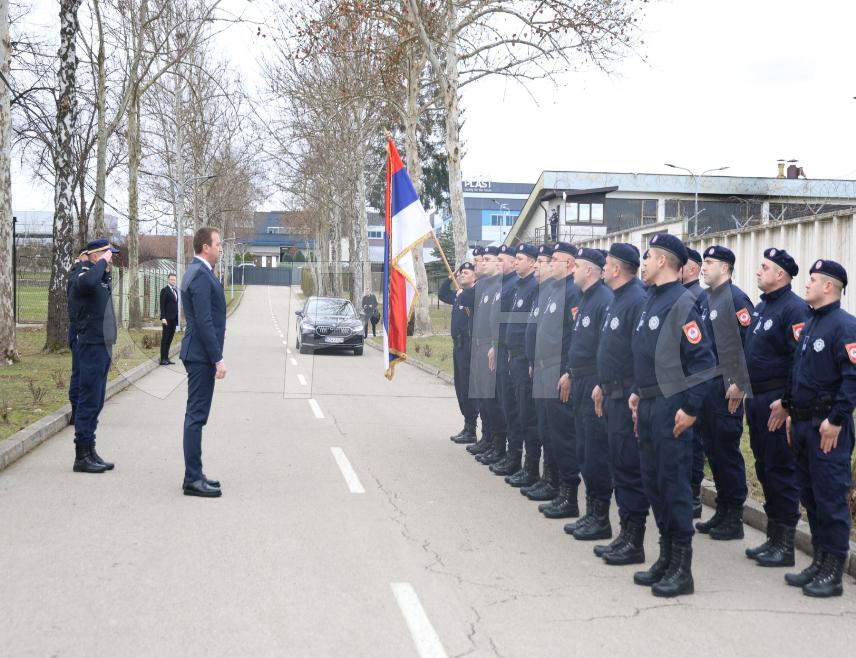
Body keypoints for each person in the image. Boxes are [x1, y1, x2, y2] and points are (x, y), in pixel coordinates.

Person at [629, 233, 715, 597]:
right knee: (654, 483)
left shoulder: (681, 302)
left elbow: (703, 361)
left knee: (674, 486)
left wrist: (691, 409)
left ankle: (682, 567)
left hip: (671, 407)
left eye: (647, 256)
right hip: (649, 404)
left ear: (663, 261)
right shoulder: (651, 299)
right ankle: (666, 556)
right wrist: (637, 393)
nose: (643, 263)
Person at [781, 259, 855, 597]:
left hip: (828, 429)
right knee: (810, 497)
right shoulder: (811, 323)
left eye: (812, 280)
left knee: (830, 500)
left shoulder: (845, 326)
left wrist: (836, 420)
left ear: (829, 286)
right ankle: (819, 560)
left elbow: (852, 380)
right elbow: (799, 373)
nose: (806, 284)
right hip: (803, 424)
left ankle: (834, 571)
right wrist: (790, 411)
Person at [736, 248, 807, 568]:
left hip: (777, 401)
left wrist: (788, 403)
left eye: (764, 267)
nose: (758, 271)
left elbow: (799, 360)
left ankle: (786, 544)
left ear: (781, 274)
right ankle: (773, 537)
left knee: (781, 469)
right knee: (764, 467)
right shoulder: (763, 307)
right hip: (757, 398)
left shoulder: (794, 310)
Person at [591, 243, 650, 565]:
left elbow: (640, 354)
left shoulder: (636, 300)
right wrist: (601, 383)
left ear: (616, 268)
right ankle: (624, 534)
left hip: (628, 397)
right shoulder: (617, 299)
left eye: (607, 264)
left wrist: (636, 392)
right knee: (619, 465)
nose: (603, 269)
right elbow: (611, 350)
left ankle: (634, 539)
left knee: (629, 468)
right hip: (611, 393)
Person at [695, 246, 754, 541]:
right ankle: (722, 509)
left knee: (727, 452)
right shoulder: (707, 298)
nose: (703, 267)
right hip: (707, 387)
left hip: (726, 389)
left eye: (709, 263)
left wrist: (740, 383)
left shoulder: (736, 298)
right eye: (703, 262)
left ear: (726, 268)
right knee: (714, 452)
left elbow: (749, 345)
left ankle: (734, 517)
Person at [563, 247, 614, 540]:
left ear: (591, 271)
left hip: (595, 383)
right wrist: (570, 372)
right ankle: (590, 513)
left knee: (596, 451)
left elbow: (604, 349)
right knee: (584, 448)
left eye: (577, 266)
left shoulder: (603, 300)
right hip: (580, 379)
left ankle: (601, 517)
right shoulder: (586, 298)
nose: (573, 271)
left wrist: (600, 383)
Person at [537, 242, 583, 520]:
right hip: (544, 369)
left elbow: (576, 339)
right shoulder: (553, 290)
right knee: (548, 429)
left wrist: (568, 371)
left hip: (560, 371)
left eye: (555, 259)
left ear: (568, 264)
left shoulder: (574, 293)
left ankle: (568, 494)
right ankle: (552, 482)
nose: (549, 263)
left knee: (563, 434)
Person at [180, 227, 227, 498]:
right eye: (218, 244)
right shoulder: (199, 274)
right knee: (195, 416)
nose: (220, 248)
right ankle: (192, 479)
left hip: (199, 353)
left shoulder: (201, 272)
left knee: (197, 416)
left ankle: (195, 474)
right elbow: (202, 320)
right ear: (205, 247)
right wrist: (217, 359)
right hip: (200, 356)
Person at [69, 239, 120, 474]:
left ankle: (91, 449)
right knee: (88, 399)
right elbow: (87, 284)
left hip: (103, 344)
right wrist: (101, 263)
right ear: (95, 254)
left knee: (97, 399)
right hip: (89, 343)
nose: (111, 258)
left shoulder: (99, 275)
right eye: (108, 254)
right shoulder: (82, 272)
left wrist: (104, 270)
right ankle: (81, 456)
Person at [495, 243, 539, 479]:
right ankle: (515, 458)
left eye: (520, 258)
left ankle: (529, 466)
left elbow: (530, 325)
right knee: (514, 410)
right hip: (512, 356)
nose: (517, 262)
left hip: (524, 359)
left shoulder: (532, 287)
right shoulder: (520, 286)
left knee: (526, 414)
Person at [439, 262, 478, 444]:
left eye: (466, 273)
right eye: (461, 273)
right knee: (460, 386)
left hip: (469, 345)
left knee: (468, 387)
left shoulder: (474, 295)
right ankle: (467, 425)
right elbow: (441, 294)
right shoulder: (458, 295)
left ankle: (472, 429)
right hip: (458, 346)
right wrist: (450, 276)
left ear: (475, 277)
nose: (462, 275)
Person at [681, 247, 705, 517]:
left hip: (692, 378)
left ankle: (694, 495)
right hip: (679, 379)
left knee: (694, 441)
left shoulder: (697, 296)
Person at [67, 246, 89, 425]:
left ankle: (82, 408)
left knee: (85, 372)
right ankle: (75, 409)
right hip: (79, 332)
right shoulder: (77, 273)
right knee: (78, 372)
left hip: (86, 332)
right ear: (83, 256)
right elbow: (76, 307)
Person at [159, 273, 179, 365]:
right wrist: (163, 317)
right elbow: (162, 306)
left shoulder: (175, 291)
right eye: (171, 279)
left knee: (170, 339)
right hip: (166, 319)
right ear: (168, 280)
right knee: (165, 339)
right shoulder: (164, 290)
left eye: (174, 280)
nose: (173, 281)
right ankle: (163, 359)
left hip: (174, 319)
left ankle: (167, 358)